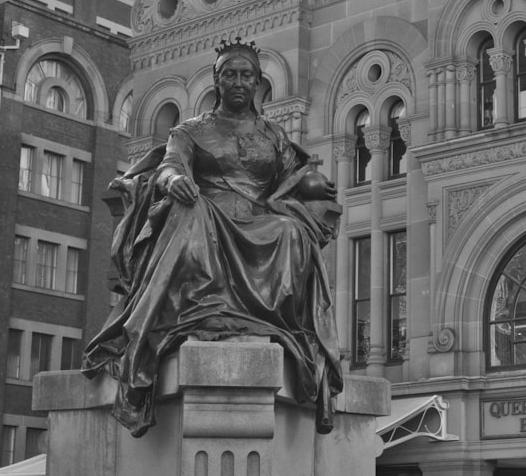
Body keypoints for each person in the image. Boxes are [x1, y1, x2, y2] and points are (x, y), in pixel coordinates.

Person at [83, 37, 343, 437]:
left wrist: (314, 186)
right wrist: (175, 183)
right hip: (206, 214)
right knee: (191, 211)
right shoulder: (190, 131)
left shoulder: (272, 134)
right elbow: (170, 166)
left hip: (261, 219)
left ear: (257, 83)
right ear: (217, 82)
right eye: (229, 75)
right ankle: (198, 311)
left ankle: (262, 317)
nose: (238, 82)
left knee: (292, 230)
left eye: (246, 75)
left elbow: (293, 178)